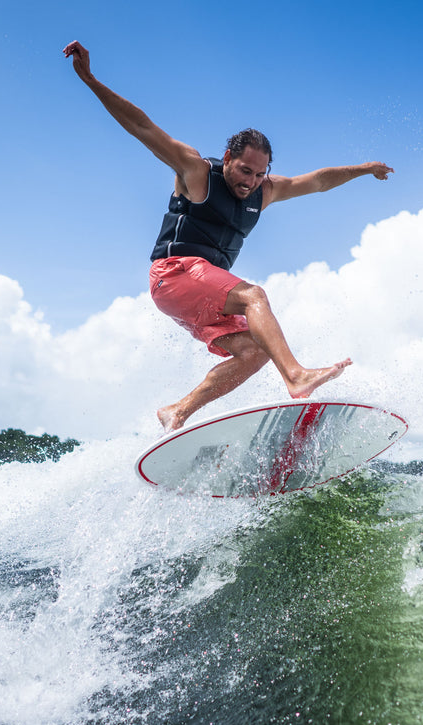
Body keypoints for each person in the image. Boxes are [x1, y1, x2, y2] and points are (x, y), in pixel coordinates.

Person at [63, 40, 393, 432]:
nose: (250, 181)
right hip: (174, 274)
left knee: (254, 351)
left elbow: (318, 181)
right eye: (243, 171)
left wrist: (364, 168)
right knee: (254, 295)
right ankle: (297, 376)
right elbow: (142, 127)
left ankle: (178, 411)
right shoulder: (197, 171)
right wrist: (90, 80)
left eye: (258, 174)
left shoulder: (264, 191)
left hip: (202, 297)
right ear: (228, 158)